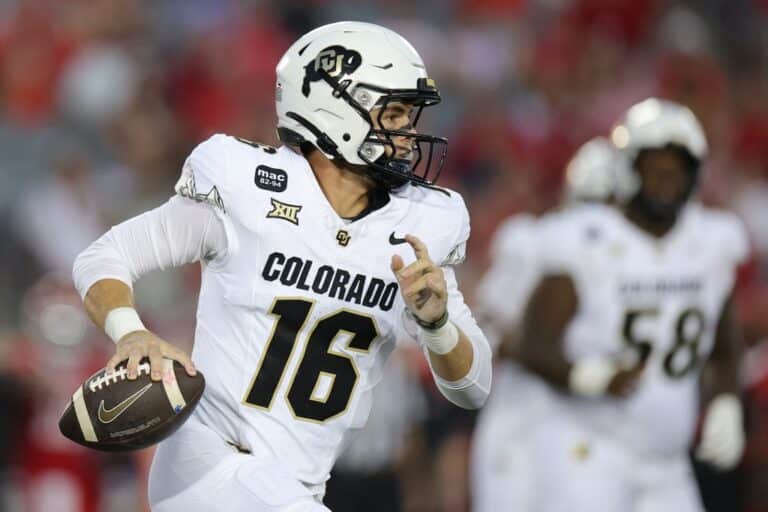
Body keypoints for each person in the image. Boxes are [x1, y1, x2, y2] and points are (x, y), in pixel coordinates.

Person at [72, 21, 492, 512]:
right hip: (210, 465)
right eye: (395, 113)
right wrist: (130, 333)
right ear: (335, 109)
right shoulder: (248, 185)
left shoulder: (421, 224)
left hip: (296, 487)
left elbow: (474, 388)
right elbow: (104, 256)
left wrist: (437, 326)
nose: (409, 134)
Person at [516, 98, 748, 511]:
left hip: (668, 463)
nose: (667, 181)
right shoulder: (587, 239)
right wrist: (587, 376)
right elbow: (531, 343)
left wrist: (726, 402)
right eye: (656, 169)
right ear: (628, 168)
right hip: (588, 452)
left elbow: (726, 347)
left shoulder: (711, 242)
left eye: (678, 171)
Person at [470, 136, 621, 512]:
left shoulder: (636, 256)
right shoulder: (533, 241)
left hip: (593, 426)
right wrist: (564, 366)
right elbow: (486, 332)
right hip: (527, 416)